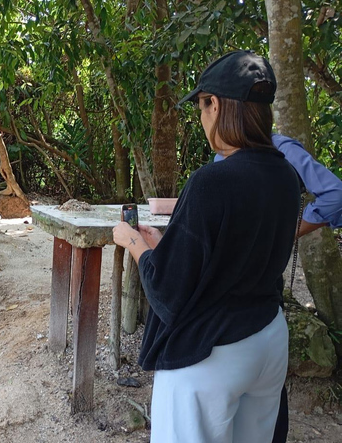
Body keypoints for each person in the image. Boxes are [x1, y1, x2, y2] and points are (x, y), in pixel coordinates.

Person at [113, 50, 301, 442]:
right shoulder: (285, 176)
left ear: (213, 104)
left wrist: (134, 244)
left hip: (209, 353)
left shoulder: (211, 181)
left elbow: (167, 293)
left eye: (201, 106)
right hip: (267, 338)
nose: (201, 118)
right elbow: (235, 251)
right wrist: (165, 245)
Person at [217, 133, 342, 443]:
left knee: (266, 394)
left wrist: (290, 230)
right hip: (221, 292)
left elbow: (335, 194)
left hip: (261, 290)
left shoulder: (280, 148)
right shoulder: (220, 154)